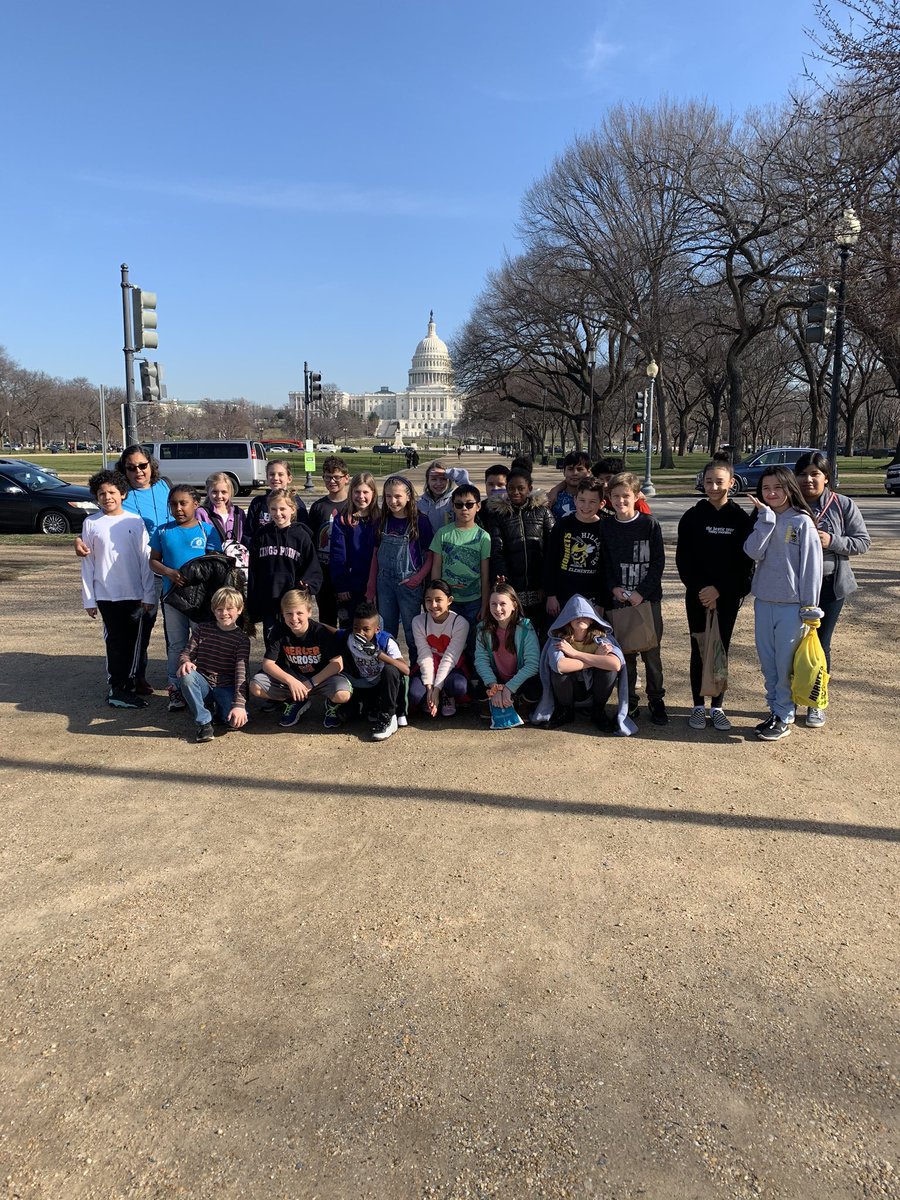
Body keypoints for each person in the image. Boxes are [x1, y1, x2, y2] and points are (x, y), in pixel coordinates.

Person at [75, 445, 171, 694]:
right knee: (143, 626)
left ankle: (176, 679)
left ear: (151, 466)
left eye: (143, 465)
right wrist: (78, 542)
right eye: (131, 467)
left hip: (169, 565)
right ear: (123, 471)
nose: (138, 471)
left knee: (174, 629)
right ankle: (135, 676)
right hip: (140, 568)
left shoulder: (163, 487)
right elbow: (100, 526)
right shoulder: (119, 493)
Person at [744, 467, 824, 741]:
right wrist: (765, 520)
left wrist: (810, 607)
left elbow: (812, 566)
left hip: (792, 607)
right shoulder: (764, 518)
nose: (772, 493)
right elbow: (752, 551)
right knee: (768, 663)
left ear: (790, 488)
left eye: (777, 487)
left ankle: (784, 715)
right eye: (766, 488)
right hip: (764, 602)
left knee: (785, 665)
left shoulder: (802, 521)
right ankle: (775, 710)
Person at [676, 455, 753, 731]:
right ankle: (698, 705)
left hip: (727, 597)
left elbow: (745, 565)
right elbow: (684, 560)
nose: (713, 486)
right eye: (708, 481)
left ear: (731, 483)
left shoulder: (739, 519)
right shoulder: (692, 517)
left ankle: (717, 705)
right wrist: (701, 589)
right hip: (697, 596)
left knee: (721, 648)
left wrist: (720, 590)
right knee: (699, 648)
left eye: (719, 481)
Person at [794, 451, 871, 726]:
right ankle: (789, 699)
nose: (808, 480)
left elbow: (862, 542)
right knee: (792, 644)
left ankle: (816, 701)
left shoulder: (843, 505)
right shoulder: (789, 503)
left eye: (815, 474)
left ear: (826, 477)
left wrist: (832, 541)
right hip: (794, 587)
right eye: (802, 474)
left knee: (820, 644)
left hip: (830, 586)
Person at [80, 469, 156, 709]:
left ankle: (129, 684)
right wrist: (89, 599)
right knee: (114, 642)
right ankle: (117, 687)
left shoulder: (134, 521)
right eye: (101, 493)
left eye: (112, 492)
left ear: (123, 493)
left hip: (134, 593)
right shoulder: (91, 523)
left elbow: (145, 559)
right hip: (106, 595)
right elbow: (88, 563)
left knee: (134, 642)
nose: (107, 497)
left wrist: (148, 593)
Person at [599, 472, 668, 725]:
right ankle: (629, 702)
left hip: (647, 601)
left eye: (625, 496)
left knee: (652, 654)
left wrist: (642, 593)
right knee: (625, 655)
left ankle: (656, 699)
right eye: (615, 496)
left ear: (637, 496)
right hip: (619, 601)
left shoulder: (649, 524)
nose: (620, 501)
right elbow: (604, 563)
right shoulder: (606, 526)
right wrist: (613, 588)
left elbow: (658, 563)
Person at [149, 485, 223, 711]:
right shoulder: (162, 531)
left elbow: (216, 562)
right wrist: (168, 572)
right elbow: (153, 560)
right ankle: (175, 689)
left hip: (201, 600)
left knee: (202, 644)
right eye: (173, 504)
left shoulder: (207, 530)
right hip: (173, 598)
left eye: (183, 503)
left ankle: (202, 687)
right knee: (176, 645)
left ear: (196, 505)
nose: (178, 508)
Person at [249, 588, 353, 730]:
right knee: (256, 686)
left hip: (319, 679)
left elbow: (337, 665)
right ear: (283, 614)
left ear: (309, 612)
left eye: (299, 613)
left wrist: (311, 682)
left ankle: (331, 705)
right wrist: (291, 681)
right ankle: (295, 701)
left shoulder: (320, 631)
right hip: (293, 680)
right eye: (289, 614)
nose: (294, 618)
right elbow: (268, 664)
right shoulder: (278, 630)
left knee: (343, 694)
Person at [531, 594, 636, 734]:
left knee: (608, 671)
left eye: (585, 615)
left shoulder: (602, 638)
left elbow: (615, 664)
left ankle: (598, 712)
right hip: (570, 690)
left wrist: (575, 654)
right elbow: (560, 665)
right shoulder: (559, 639)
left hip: (593, 689)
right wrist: (596, 659)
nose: (580, 618)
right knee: (559, 674)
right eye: (575, 615)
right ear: (567, 620)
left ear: (592, 620)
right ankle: (566, 711)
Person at [370, 475, 433, 664]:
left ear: (408, 497)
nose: (393, 501)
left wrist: (418, 578)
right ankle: (389, 670)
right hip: (385, 583)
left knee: (412, 631)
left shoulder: (420, 521)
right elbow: (375, 556)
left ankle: (415, 669)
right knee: (385, 631)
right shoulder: (381, 521)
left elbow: (430, 555)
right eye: (388, 497)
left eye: (397, 496)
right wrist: (371, 587)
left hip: (409, 583)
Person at [176, 586, 251, 743]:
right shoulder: (202, 629)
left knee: (233, 721)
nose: (224, 613)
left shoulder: (242, 639)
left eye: (229, 609)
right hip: (205, 683)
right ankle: (204, 722)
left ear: (239, 609)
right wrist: (186, 662)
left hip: (226, 685)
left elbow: (241, 673)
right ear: (213, 609)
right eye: (219, 609)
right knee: (187, 676)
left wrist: (239, 705)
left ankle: (218, 711)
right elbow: (185, 654)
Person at [484, 469, 555, 634]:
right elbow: (497, 548)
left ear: (529, 488)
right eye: (511, 488)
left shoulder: (543, 512)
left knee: (541, 630)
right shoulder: (498, 515)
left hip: (540, 584)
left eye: (520, 488)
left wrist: (548, 582)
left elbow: (553, 547)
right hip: (513, 584)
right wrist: (502, 575)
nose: (515, 492)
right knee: (515, 631)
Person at [247, 489, 322, 645]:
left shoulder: (301, 536)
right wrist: (253, 602)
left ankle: (294, 668)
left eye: (282, 509)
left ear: (292, 509)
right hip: (269, 597)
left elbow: (313, 567)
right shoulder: (261, 535)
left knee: (294, 637)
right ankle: (272, 667)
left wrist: (308, 585)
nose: (278, 513)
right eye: (273, 509)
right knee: (272, 637)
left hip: (293, 600)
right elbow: (254, 570)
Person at [430, 482, 491, 659]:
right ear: (453, 507)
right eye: (459, 504)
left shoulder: (483, 537)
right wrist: (437, 599)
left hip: (474, 600)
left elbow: (485, 574)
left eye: (469, 504)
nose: (464, 508)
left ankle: (472, 678)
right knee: (448, 641)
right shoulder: (443, 534)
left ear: (478, 507)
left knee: (473, 642)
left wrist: (484, 604)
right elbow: (436, 568)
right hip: (449, 601)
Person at [335, 600, 410, 741]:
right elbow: (333, 631)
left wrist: (377, 653)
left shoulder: (386, 641)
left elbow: (405, 670)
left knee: (391, 670)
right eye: (356, 628)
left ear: (377, 629)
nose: (360, 633)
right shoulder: (349, 637)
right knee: (344, 714)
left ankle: (389, 716)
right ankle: (359, 707)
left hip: (381, 686)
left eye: (366, 629)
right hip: (362, 684)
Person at [473, 583, 541, 717]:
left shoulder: (526, 628)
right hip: (497, 678)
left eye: (503, 603)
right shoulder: (483, 629)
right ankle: (494, 704)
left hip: (518, 679)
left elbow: (533, 664)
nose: (498, 609)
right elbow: (481, 661)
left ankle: (521, 704)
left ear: (514, 605)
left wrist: (509, 688)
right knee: (479, 690)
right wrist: (495, 687)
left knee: (536, 688)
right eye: (493, 604)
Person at [543, 477, 605, 618]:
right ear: (575, 499)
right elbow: (550, 561)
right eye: (582, 500)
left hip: (592, 597)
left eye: (592, 502)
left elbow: (605, 569)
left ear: (601, 504)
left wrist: (602, 602)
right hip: (563, 595)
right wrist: (551, 595)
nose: (586, 506)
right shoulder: (562, 525)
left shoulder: (605, 528)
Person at [410, 579, 470, 718]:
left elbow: (450, 658)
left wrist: (437, 689)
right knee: (414, 695)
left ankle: (447, 695)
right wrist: (429, 687)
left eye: (438, 600)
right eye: (428, 600)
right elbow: (424, 656)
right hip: (429, 665)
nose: (433, 605)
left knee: (458, 686)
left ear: (449, 600)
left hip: (452, 667)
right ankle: (429, 696)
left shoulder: (460, 623)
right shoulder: (418, 621)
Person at [329, 471, 379, 627]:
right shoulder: (343, 520)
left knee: (372, 628)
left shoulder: (381, 518)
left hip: (376, 583)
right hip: (351, 585)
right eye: (357, 492)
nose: (361, 496)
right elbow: (338, 555)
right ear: (351, 493)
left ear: (373, 493)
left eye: (365, 492)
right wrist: (341, 585)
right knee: (350, 627)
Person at [306, 456, 351, 626]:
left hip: (345, 573)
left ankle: (346, 653)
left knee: (347, 620)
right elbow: (311, 541)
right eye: (327, 477)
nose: (332, 481)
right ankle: (329, 653)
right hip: (323, 572)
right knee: (326, 620)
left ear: (346, 478)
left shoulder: (352, 506)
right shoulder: (318, 507)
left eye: (337, 477)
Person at [243, 459, 309, 547]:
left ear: (289, 478)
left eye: (280, 474)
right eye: (271, 474)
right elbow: (248, 534)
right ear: (267, 477)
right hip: (262, 554)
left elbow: (303, 536)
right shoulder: (258, 503)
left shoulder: (297, 504)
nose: (275, 478)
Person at [197, 471, 247, 546]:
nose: (219, 496)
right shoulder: (201, 513)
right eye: (214, 492)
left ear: (230, 493)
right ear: (208, 491)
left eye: (224, 492)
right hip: (212, 555)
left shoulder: (239, 513)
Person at [546, 450, 591, 520]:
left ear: (588, 472)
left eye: (580, 469)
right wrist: (555, 490)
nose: (575, 473)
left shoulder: (593, 496)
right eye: (570, 469)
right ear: (564, 472)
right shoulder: (554, 498)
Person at [417, 459, 455, 529]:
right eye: (434, 479)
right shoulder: (419, 504)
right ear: (427, 481)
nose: (438, 483)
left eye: (443, 479)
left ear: (449, 481)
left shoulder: (455, 501)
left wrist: (463, 480)